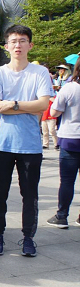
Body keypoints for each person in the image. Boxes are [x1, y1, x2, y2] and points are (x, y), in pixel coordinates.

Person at [0, 25, 54, 257]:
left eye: (22, 41)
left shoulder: (39, 72)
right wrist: (27, 106)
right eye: (13, 41)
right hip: (1, 143)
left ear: (30, 45)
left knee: (30, 194)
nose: (18, 45)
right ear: (6, 46)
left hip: (30, 145)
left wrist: (12, 104)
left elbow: (43, 105)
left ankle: (28, 237)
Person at [46, 59, 80, 229]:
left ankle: (62, 216)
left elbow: (54, 112)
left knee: (67, 181)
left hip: (71, 138)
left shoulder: (70, 88)